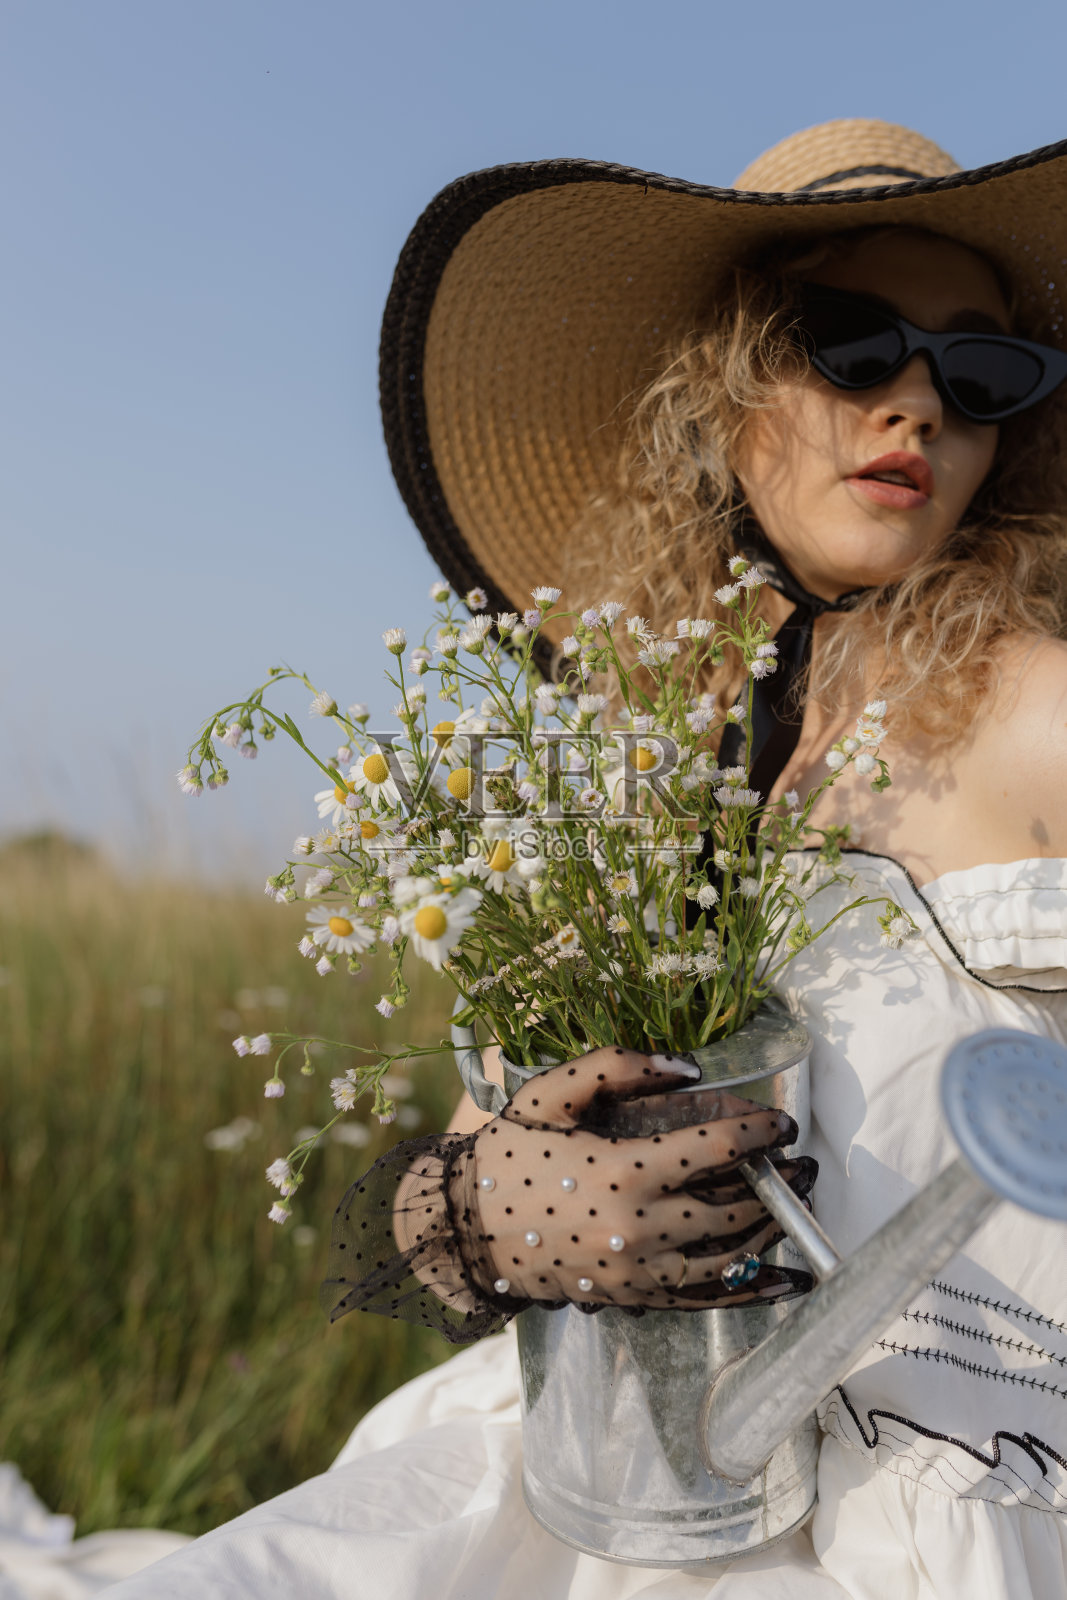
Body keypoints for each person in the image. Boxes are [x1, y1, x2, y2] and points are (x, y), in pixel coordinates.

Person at [102, 119, 1067, 1600]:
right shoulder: (628, 757)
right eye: (852, 343)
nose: (920, 403)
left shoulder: (1034, 710)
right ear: (726, 383)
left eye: (984, 371)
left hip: (933, 1513)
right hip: (591, 1465)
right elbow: (465, 1161)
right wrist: (482, 1213)